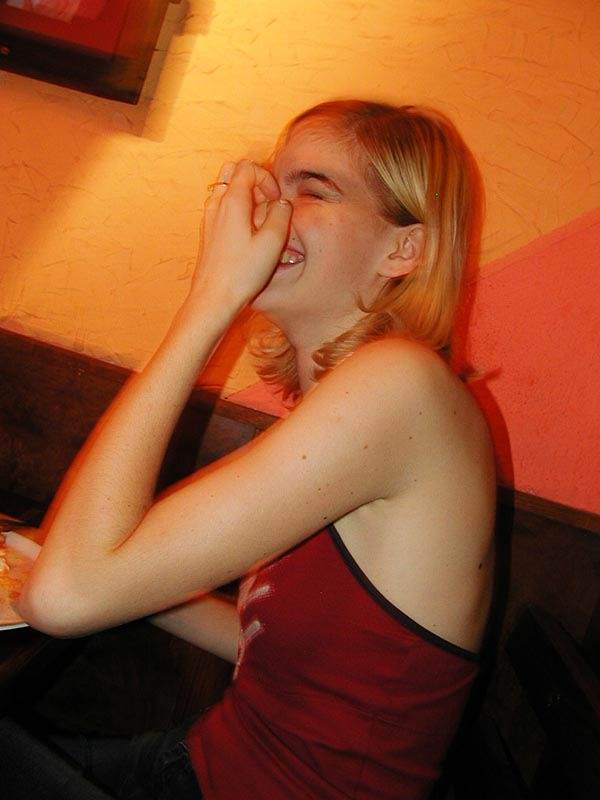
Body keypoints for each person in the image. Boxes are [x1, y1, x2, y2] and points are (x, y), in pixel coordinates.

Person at [9, 99, 496, 799]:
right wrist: (126, 582)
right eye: (271, 182)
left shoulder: (401, 387)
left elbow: (63, 597)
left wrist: (210, 299)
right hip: (207, 759)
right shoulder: (360, 401)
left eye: (313, 190)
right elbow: (262, 646)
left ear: (403, 249)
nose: (267, 208)